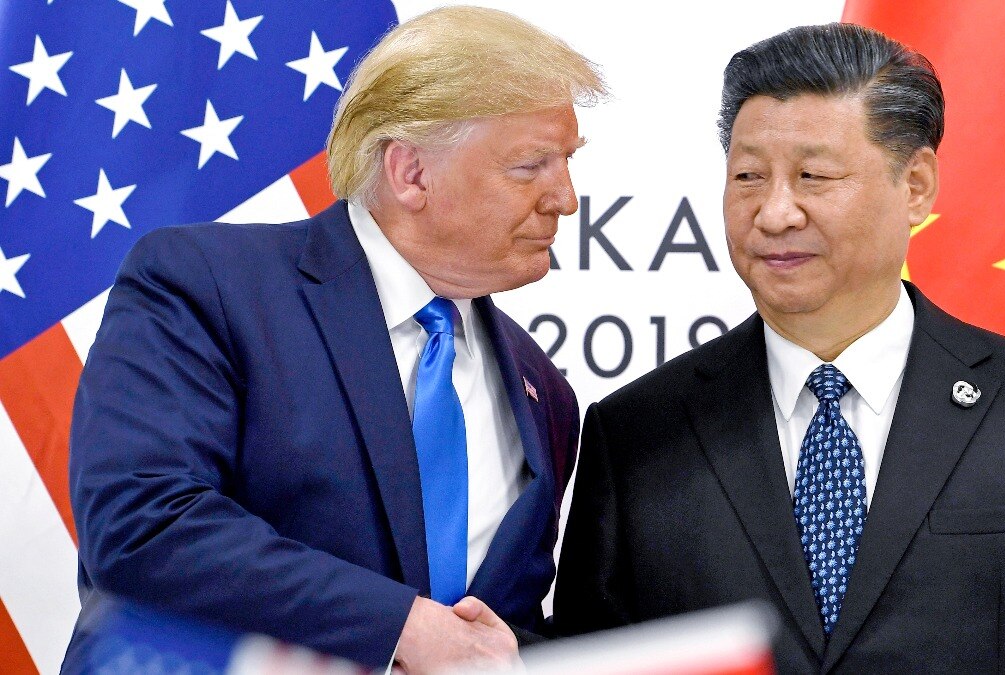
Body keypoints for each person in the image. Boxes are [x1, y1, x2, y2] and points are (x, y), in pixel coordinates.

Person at [554, 22, 1005, 673]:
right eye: (747, 175)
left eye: (813, 175)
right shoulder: (636, 433)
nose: (774, 213)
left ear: (915, 186)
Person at [64, 6, 604, 673]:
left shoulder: (545, 392)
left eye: (568, 163)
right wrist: (399, 626)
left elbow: (493, 631)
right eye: (531, 166)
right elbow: (144, 521)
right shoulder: (206, 285)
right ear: (409, 172)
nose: (567, 199)